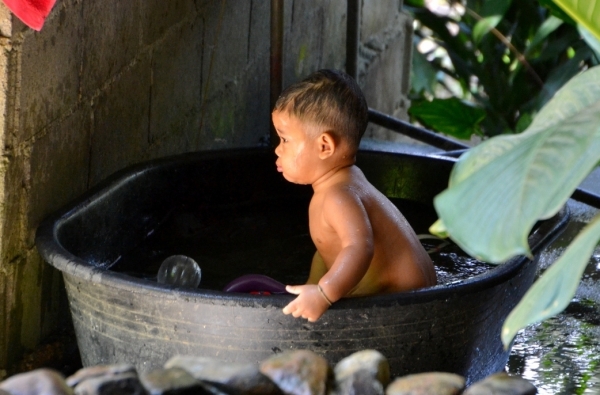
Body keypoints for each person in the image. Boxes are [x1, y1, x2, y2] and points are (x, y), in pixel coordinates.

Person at [273, 69, 437, 322]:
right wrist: (310, 286)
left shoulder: (338, 196)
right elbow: (326, 248)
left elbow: (359, 247)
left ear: (324, 146)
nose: (277, 149)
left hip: (407, 303)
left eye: (285, 140)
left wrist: (324, 294)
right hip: (416, 293)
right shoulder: (345, 181)